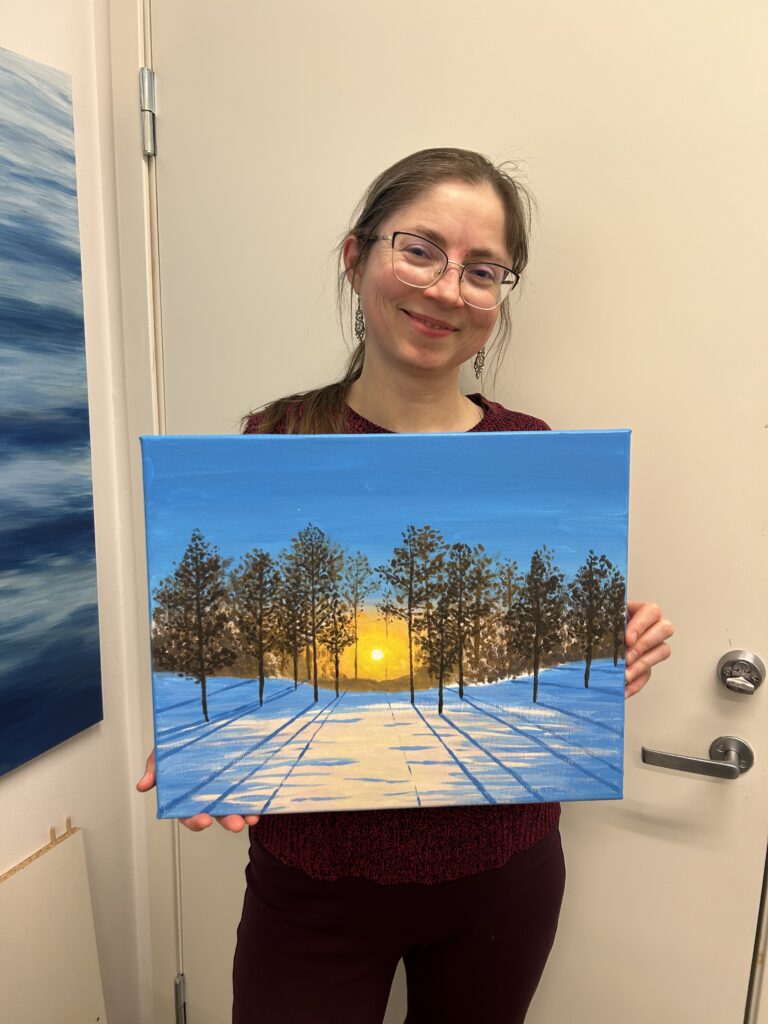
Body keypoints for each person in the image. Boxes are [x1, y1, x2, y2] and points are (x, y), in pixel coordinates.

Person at [137, 147, 674, 1024]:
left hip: (505, 879)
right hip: (312, 885)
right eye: (419, 250)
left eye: (482, 269)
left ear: (500, 295)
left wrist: (613, 646)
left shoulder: (535, 453)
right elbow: (233, 645)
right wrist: (201, 737)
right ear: (356, 259)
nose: (447, 289)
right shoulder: (274, 441)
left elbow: (541, 637)